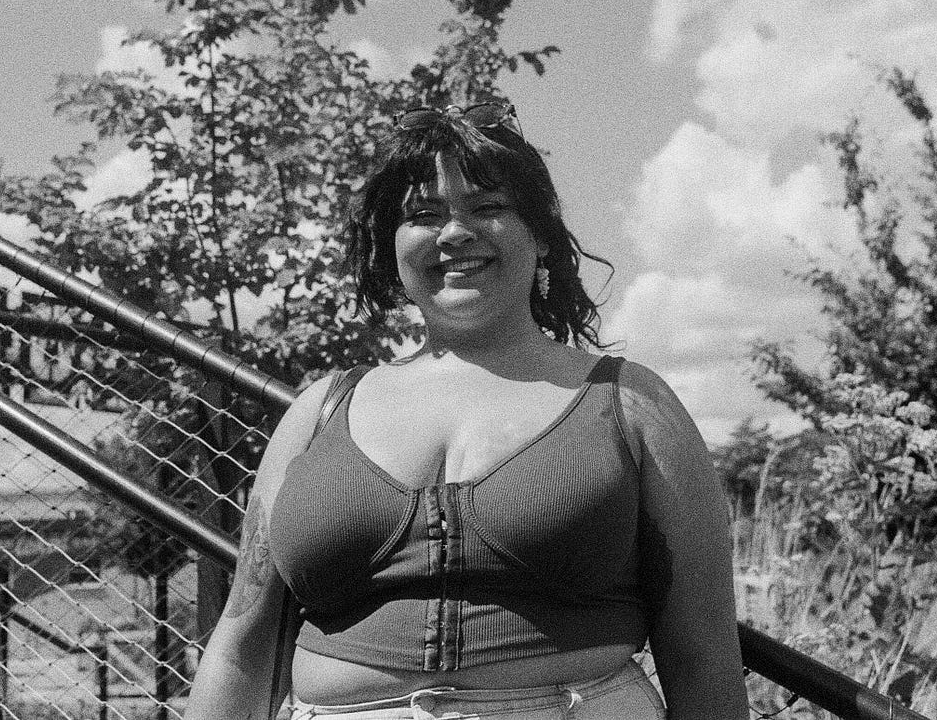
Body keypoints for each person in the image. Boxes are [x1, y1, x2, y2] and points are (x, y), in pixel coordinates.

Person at [184, 102, 749, 720]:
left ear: (539, 235)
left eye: (487, 207)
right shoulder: (318, 413)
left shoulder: (633, 406)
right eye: (424, 216)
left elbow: (703, 659)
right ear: (390, 246)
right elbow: (242, 648)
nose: (454, 233)